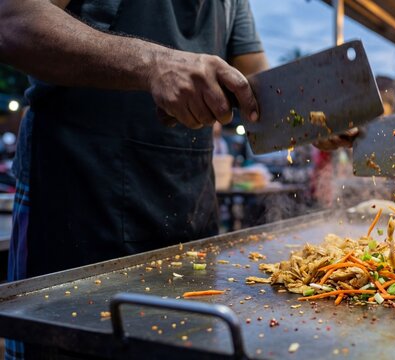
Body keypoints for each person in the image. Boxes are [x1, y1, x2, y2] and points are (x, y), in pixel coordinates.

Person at [0, 1, 351, 358]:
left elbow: (257, 86)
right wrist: (155, 64)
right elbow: (12, 21)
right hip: (76, 207)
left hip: (188, 216)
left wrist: (309, 115)